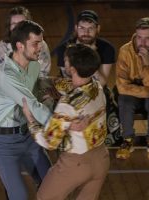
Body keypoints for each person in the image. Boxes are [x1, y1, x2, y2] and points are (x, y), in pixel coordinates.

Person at [22, 43, 110, 200]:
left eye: (66, 60)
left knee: (45, 197)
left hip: (75, 164)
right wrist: (44, 84)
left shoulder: (67, 104)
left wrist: (30, 119)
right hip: (101, 159)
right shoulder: (97, 87)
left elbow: (49, 142)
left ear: (73, 69)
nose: (64, 62)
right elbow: (66, 85)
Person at [0, 20, 52, 200]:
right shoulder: (6, 73)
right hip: (3, 142)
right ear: (20, 46)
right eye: (36, 43)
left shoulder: (35, 65)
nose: (41, 47)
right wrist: (60, 125)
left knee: (52, 185)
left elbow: (37, 93)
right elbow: (31, 104)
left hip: (27, 135)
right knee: (19, 196)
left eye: (41, 42)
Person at [56, 9, 121, 146]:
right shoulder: (64, 48)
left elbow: (102, 82)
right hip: (70, 89)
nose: (86, 33)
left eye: (90, 28)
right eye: (82, 28)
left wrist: (90, 56)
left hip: (96, 89)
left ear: (98, 29)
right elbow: (68, 78)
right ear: (76, 28)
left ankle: (103, 141)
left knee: (105, 100)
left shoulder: (107, 48)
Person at [115, 17, 149, 160]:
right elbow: (122, 87)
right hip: (132, 94)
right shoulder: (125, 51)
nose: (142, 43)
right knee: (124, 101)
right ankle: (127, 140)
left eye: (147, 38)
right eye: (139, 37)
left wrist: (148, 66)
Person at [0, 6, 51, 77]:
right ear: (9, 26)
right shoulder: (2, 46)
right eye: (14, 24)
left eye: (21, 23)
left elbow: (43, 71)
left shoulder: (40, 45)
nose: (18, 27)